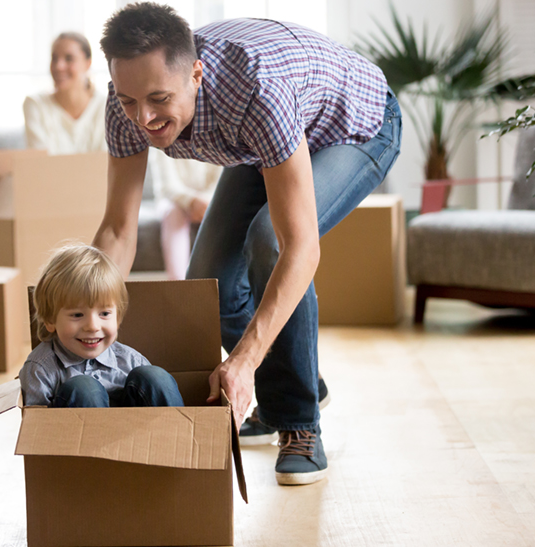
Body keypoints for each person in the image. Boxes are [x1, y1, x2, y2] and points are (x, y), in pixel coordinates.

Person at [92, 3, 402, 485]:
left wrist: (244, 360)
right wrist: (87, 310)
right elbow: (117, 230)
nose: (144, 118)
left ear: (196, 74)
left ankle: (299, 423)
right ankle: (297, 382)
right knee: (208, 283)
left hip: (355, 125)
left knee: (269, 240)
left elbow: (299, 246)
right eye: (130, 101)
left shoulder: (256, 90)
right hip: (266, 145)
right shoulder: (124, 104)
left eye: (158, 98)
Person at [19, 244, 184, 408]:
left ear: (118, 319)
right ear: (50, 320)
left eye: (104, 314)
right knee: (84, 389)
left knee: (154, 377)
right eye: (77, 315)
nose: (92, 326)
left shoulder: (131, 361)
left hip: (138, 432)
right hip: (73, 433)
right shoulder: (40, 369)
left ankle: (179, 432)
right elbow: (34, 424)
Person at [23, 32, 107, 154]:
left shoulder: (106, 107)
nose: (59, 66)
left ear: (87, 63)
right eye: (54, 58)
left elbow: (106, 164)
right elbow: (39, 165)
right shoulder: (35, 105)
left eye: (69, 58)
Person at [148, 149, 222, 280]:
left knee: (223, 211)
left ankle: (219, 282)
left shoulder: (219, 139)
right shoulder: (161, 140)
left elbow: (221, 182)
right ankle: (179, 284)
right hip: (175, 201)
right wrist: (191, 202)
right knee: (173, 212)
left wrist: (204, 204)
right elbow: (168, 187)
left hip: (209, 201)